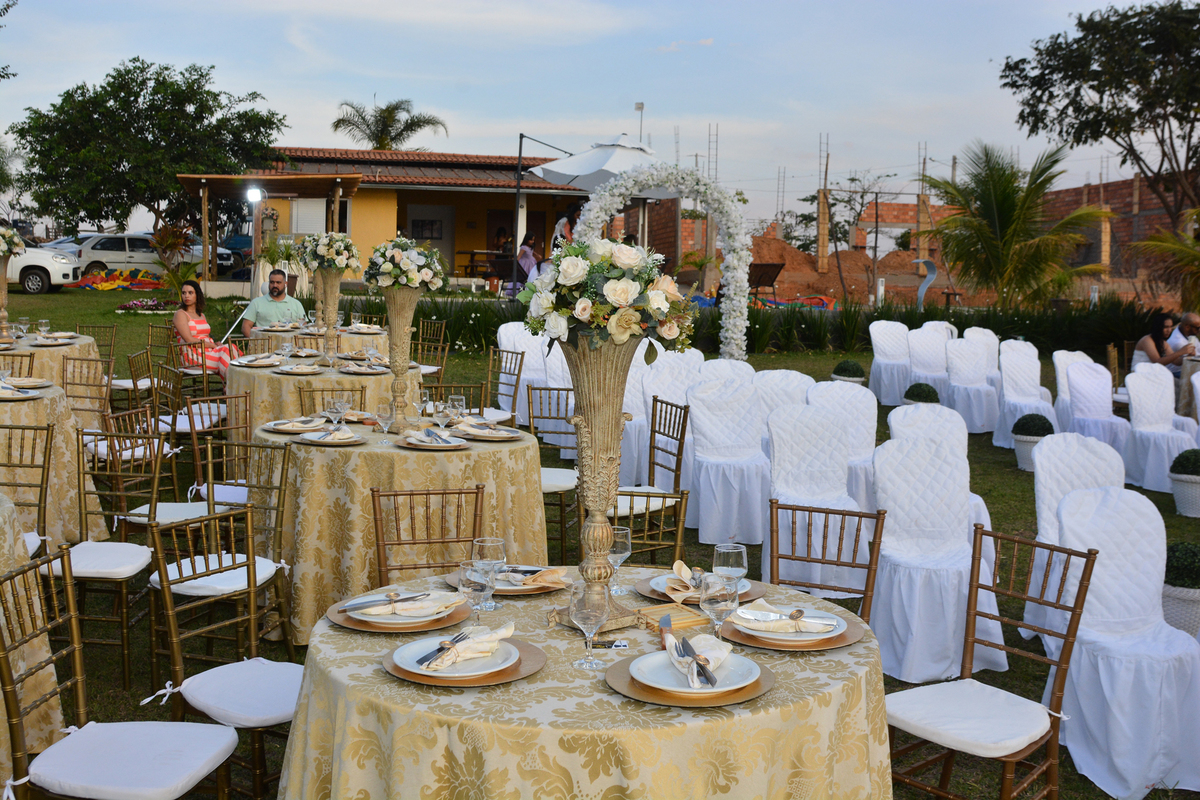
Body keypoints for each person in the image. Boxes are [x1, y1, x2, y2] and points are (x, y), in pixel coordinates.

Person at [173, 280, 241, 380]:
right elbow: (189, 340)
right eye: (184, 293)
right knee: (229, 354)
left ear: (197, 295)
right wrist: (212, 346)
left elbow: (205, 336)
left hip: (207, 352)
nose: (186, 296)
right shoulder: (180, 314)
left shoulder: (201, 315)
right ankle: (232, 390)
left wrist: (215, 344)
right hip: (192, 355)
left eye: (190, 293)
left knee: (231, 350)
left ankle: (230, 389)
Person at [241, 269, 307, 339]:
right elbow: (245, 327)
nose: (274, 285)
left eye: (278, 282)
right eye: (272, 282)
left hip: (290, 345)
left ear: (285, 284)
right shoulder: (256, 303)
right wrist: (256, 342)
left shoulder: (296, 304)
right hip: (264, 344)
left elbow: (304, 326)